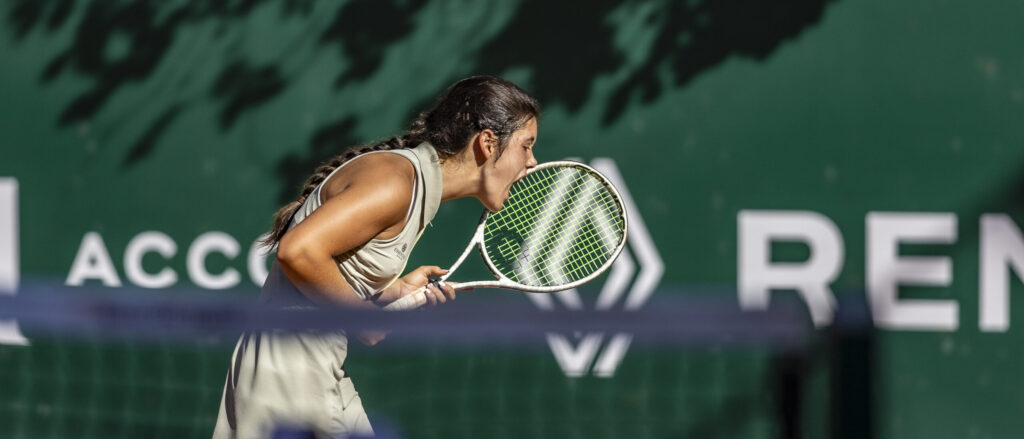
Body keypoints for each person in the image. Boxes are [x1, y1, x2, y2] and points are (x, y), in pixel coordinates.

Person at [212, 75, 540, 438]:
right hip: (289, 373)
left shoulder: (415, 187)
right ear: (487, 143)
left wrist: (391, 291)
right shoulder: (396, 182)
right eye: (526, 146)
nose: (532, 162)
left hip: (314, 364)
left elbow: (324, 275)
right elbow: (298, 250)